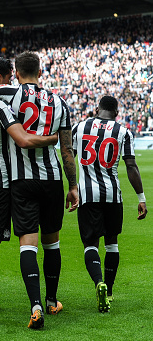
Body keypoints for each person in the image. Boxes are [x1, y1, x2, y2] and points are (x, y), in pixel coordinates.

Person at [0, 51, 79, 328]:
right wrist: (72, 186)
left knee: (28, 242)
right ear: (40, 71)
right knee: (52, 242)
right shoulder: (59, 101)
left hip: (19, 180)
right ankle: (51, 301)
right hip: (51, 179)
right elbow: (67, 149)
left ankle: (34, 304)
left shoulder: (8, 95)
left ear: (16, 72)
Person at [72, 96, 147, 312]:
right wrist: (141, 198)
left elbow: (69, 156)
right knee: (112, 243)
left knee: (90, 244)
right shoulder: (123, 131)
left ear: (97, 109)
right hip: (113, 195)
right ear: (116, 112)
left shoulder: (80, 127)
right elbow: (131, 166)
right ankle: (110, 291)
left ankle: (99, 283)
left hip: (87, 195)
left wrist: (71, 187)